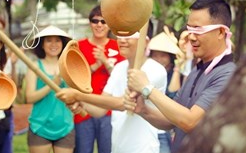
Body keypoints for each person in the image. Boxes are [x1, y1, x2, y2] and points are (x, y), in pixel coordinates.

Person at [124, 0, 236, 153]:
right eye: (189, 29)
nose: (191, 36)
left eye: (198, 30)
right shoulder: (197, 70)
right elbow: (173, 120)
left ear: (220, 32)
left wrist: (147, 89)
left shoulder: (228, 75)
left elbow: (190, 122)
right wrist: (143, 110)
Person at [56, 21, 168, 153]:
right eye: (120, 36)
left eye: (129, 36)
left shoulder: (155, 70)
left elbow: (124, 103)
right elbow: (100, 110)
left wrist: (78, 95)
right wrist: (81, 103)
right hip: (118, 147)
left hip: (143, 148)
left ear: (146, 41)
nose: (122, 41)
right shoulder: (119, 68)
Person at [75, 5, 125, 153]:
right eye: (95, 21)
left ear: (110, 25)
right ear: (90, 23)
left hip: (109, 110)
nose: (99, 25)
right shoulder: (79, 46)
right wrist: (95, 65)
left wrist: (104, 61)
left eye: (104, 21)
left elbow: (121, 79)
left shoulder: (118, 46)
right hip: (84, 107)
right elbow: (75, 77)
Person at [25, 25, 75, 153]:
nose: (53, 44)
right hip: (39, 126)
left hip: (65, 126)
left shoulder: (68, 66)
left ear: (62, 44)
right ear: (42, 44)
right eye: (49, 40)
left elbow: (75, 95)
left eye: (57, 40)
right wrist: (52, 83)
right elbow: (29, 97)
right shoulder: (34, 66)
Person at [147, 29, 184, 153]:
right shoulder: (147, 72)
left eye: (163, 55)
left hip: (164, 128)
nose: (158, 59)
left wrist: (177, 69)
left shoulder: (174, 72)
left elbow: (172, 94)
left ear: (170, 57)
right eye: (155, 55)